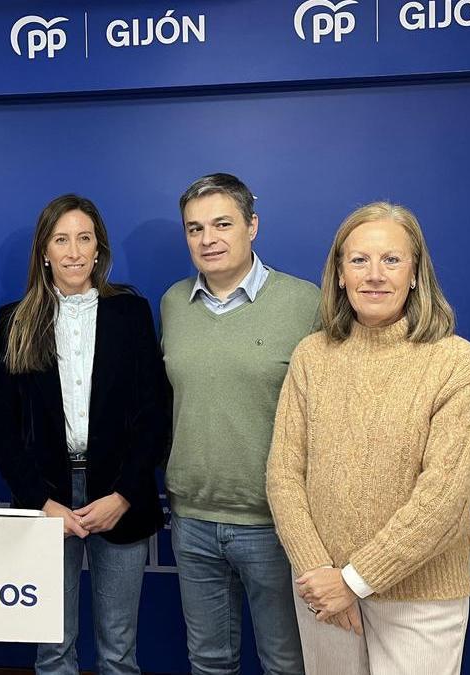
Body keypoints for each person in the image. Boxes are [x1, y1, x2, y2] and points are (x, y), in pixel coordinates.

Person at [266, 202, 470, 675]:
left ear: (415, 273)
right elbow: (284, 474)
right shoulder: (311, 356)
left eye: (391, 259)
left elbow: (445, 497)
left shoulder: (458, 364)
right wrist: (322, 578)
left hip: (418, 600)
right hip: (323, 591)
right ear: (340, 274)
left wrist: (356, 580)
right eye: (358, 260)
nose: (374, 275)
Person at [0, 195, 169, 675]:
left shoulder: (130, 313)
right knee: (53, 649)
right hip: (47, 498)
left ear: (98, 249)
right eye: (61, 239)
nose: (73, 252)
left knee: (117, 650)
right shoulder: (16, 319)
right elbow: (3, 427)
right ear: (44, 251)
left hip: (118, 493)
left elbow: (154, 413)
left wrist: (125, 495)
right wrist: (40, 502)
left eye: (84, 239)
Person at [160, 173, 317, 675]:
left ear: (253, 226)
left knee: (286, 663)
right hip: (192, 520)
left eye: (222, 224)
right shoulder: (171, 304)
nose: (208, 239)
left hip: (274, 524)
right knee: (208, 662)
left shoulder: (305, 303)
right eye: (194, 228)